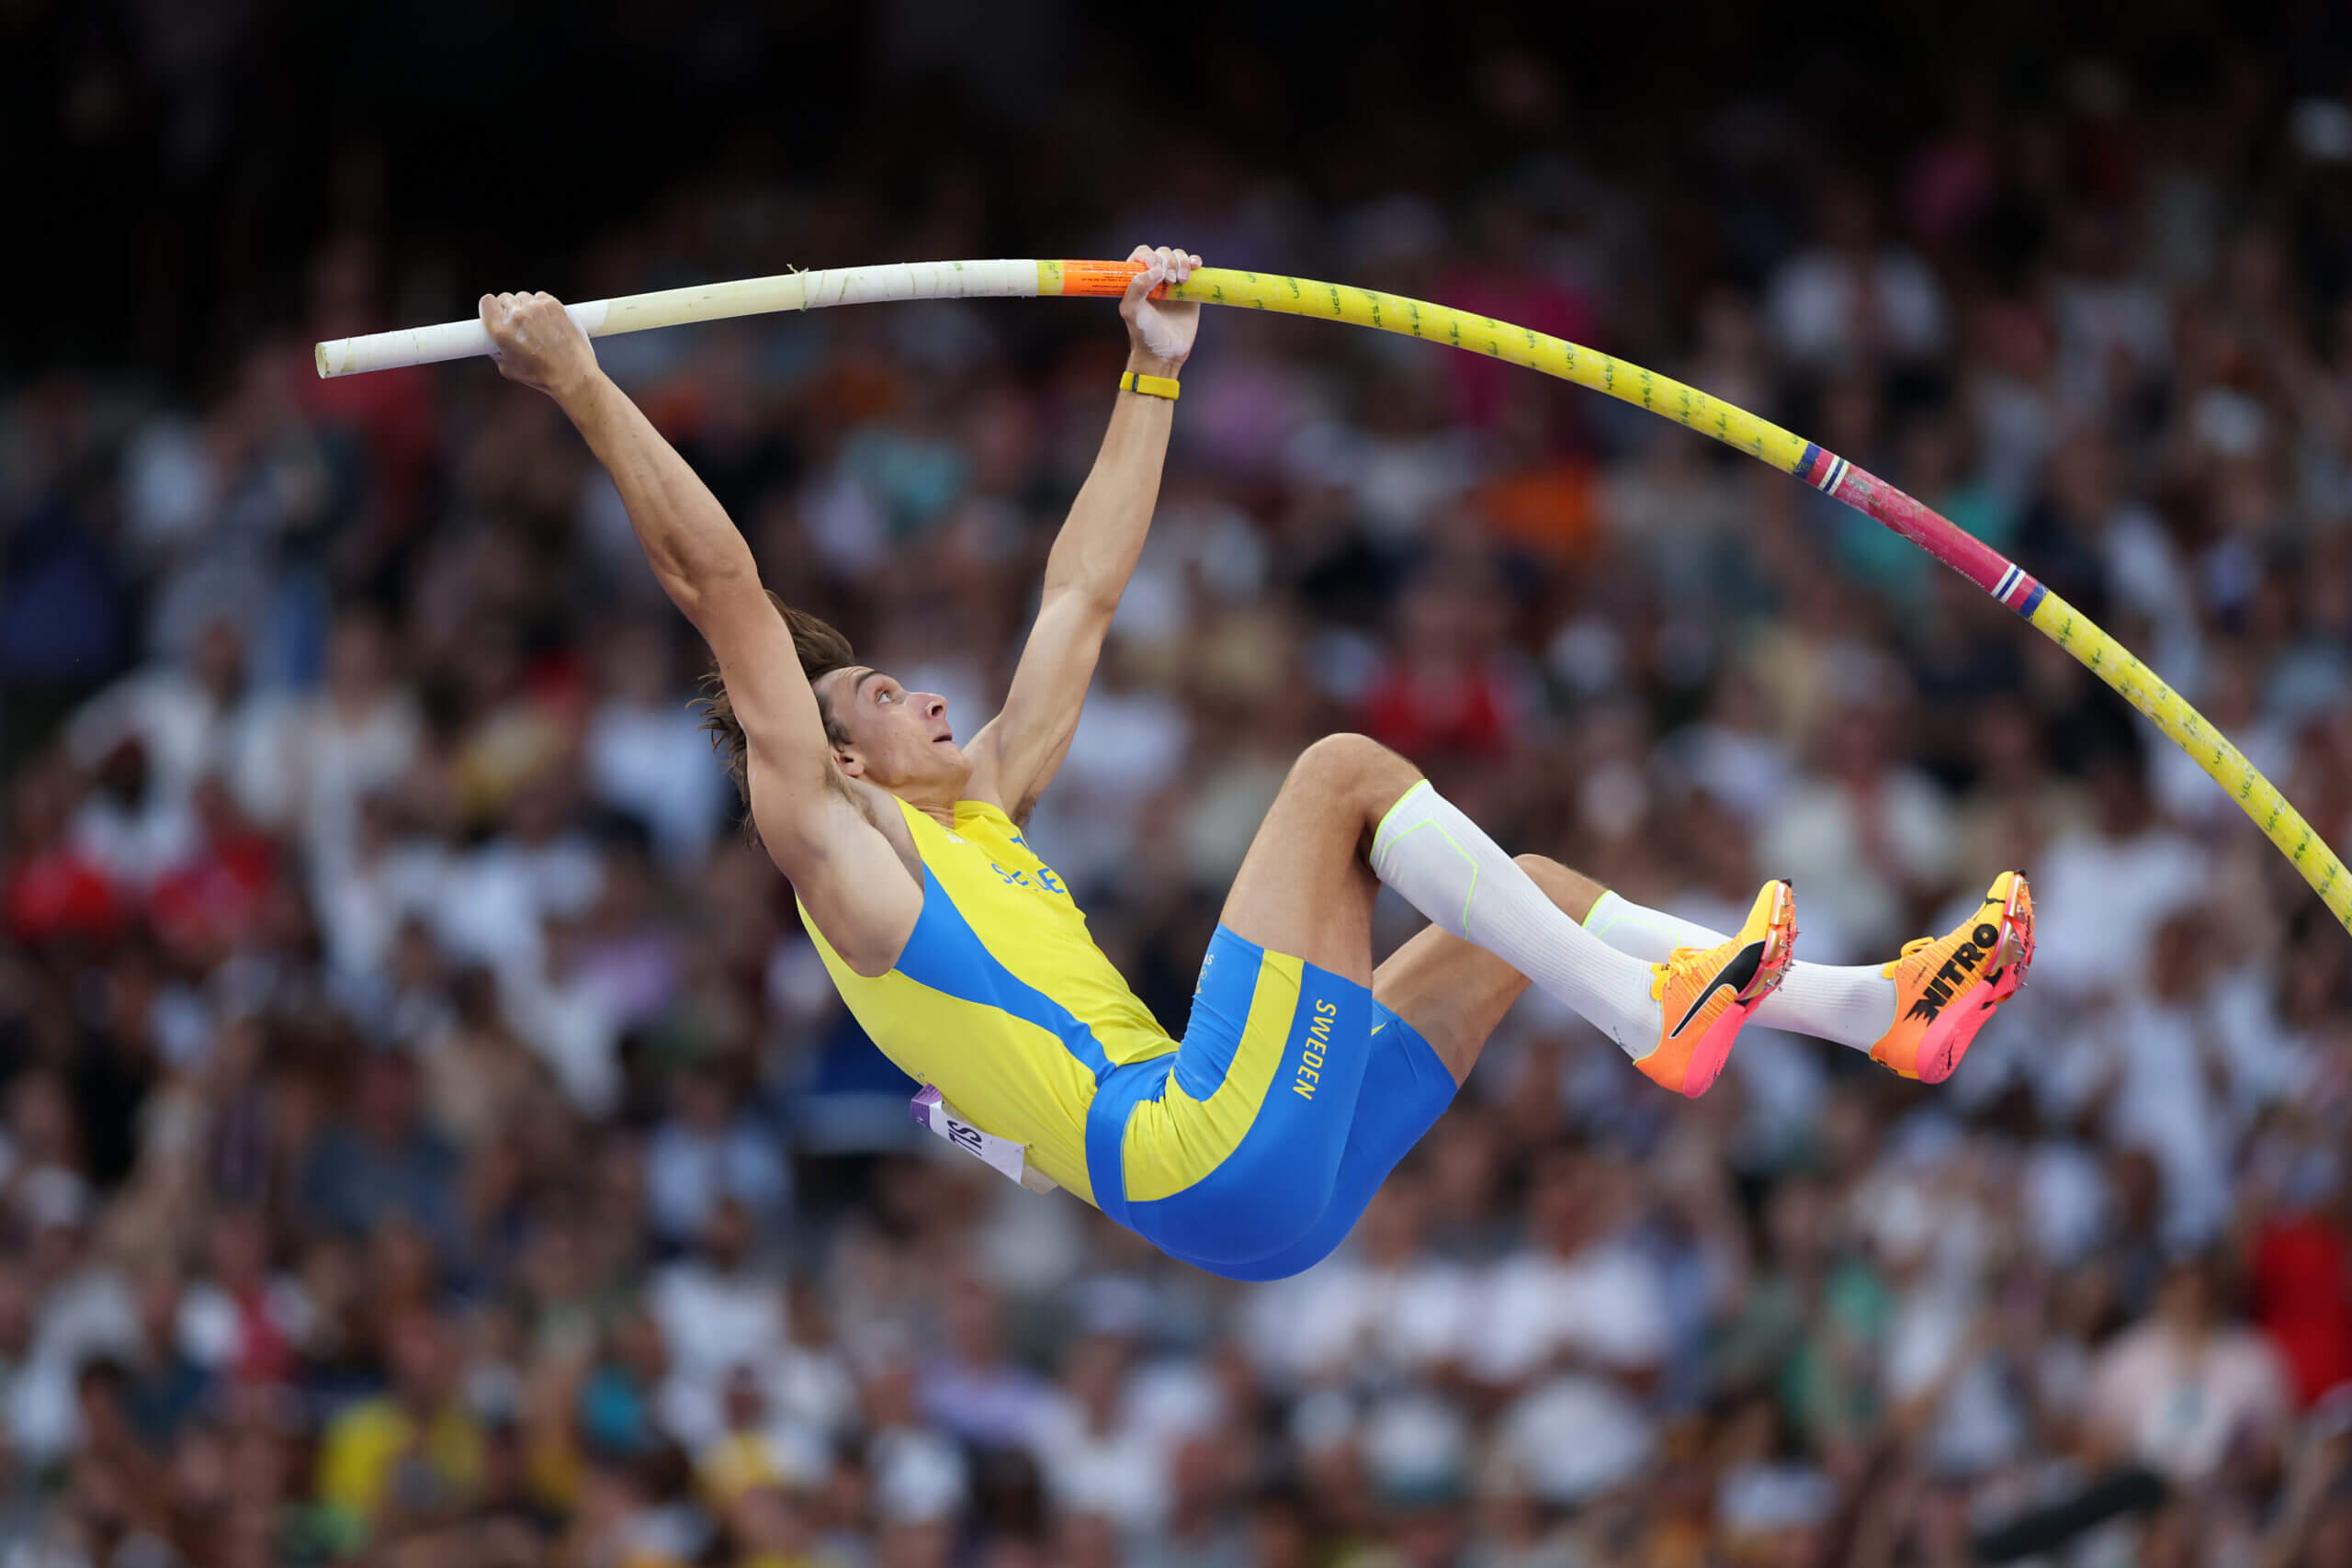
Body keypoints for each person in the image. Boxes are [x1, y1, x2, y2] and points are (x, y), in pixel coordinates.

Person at [472, 245, 2035, 1282]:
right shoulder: (843, 856)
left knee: (1527, 902)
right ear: (835, 755)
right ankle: (1647, 1017)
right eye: (882, 694)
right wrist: (586, 387)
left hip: (1256, 1194)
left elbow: (1079, 593)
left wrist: (1153, 366)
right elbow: (721, 589)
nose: (930, 698)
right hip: (1195, 1141)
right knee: (1344, 773)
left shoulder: (990, 808)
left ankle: (1871, 1012)